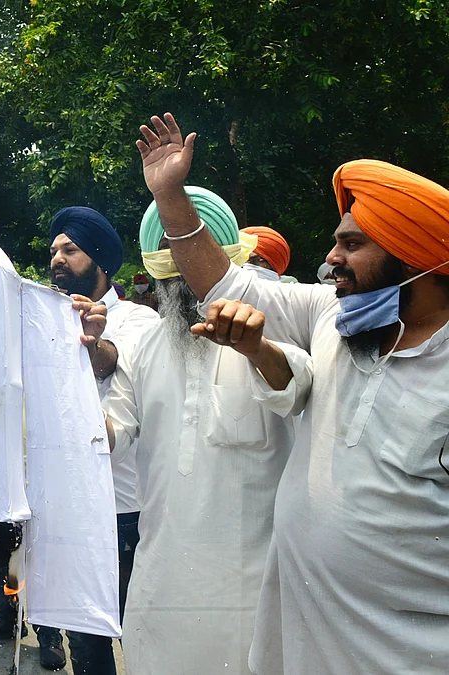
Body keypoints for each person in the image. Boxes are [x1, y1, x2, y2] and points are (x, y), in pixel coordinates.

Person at [136, 112, 449, 675]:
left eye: (351, 245)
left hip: (408, 655)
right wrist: (170, 198)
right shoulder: (336, 317)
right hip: (303, 640)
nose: (331, 260)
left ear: (418, 260)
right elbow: (226, 284)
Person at [102, 185, 312, 675]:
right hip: (163, 585)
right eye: (174, 269)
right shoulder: (144, 344)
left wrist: (256, 348)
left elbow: (296, 387)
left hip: (256, 589)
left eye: (197, 264)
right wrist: (65, 372)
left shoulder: (274, 331)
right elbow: (110, 432)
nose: (187, 280)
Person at [37, 206, 159, 674]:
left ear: (102, 262)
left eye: (71, 250)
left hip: (123, 510)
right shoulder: (45, 319)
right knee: (87, 646)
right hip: (68, 507)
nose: (57, 259)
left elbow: (110, 364)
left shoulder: (136, 321)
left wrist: (92, 340)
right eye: (54, 251)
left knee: (140, 636)